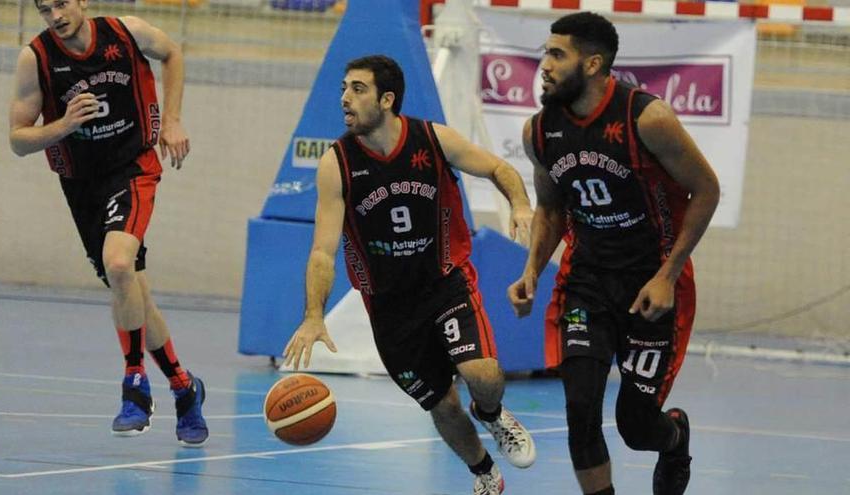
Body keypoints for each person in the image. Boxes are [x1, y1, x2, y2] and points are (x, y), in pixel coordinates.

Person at [282, 55, 536, 494]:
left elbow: (498, 167)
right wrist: (312, 315)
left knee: (482, 376)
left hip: (445, 283)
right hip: (389, 306)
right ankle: (484, 474)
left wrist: (520, 203)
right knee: (442, 404)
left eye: (357, 89)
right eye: (344, 88)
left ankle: (492, 415)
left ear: (386, 99)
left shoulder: (432, 140)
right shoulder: (336, 164)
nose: (345, 98)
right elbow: (322, 251)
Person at [507, 12, 720, 495]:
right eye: (545, 52)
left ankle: (673, 436)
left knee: (635, 425)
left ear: (594, 63)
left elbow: (706, 190)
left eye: (558, 54)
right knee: (580, 412)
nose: (545, 64)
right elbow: (550, 207)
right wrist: (532, 272)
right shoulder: (540, 131)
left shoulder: (647, 119)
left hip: (652, 286)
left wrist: (668, 274)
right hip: (587, 283)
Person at [8, 0, 208, 446]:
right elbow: (18, 140)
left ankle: (134, 385)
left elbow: (173, 52)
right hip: (81, 186)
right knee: (130, 289)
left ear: (81, 1)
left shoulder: (126, 32)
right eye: (44, 9)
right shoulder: (35, 58)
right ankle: (183, 387)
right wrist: (63, 124)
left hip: (133, 167)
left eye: (61, 3)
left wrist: (171, 119)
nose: (56, 15)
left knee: (119, 264)